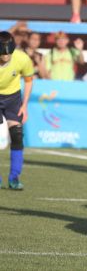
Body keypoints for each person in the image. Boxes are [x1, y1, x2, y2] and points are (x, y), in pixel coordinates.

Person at [0, 31, 34, 190]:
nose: (6, 56)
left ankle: (14, 177)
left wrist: (24, 104)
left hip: (13, 97)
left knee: (17, 134)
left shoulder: (22, 58)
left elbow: (28, 80)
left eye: (8, 53)